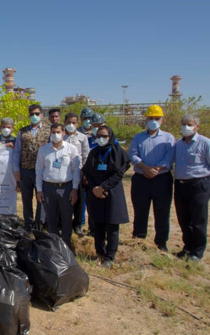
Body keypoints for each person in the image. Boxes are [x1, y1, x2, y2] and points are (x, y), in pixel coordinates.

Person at [83, 126, 130, 268]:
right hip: (96, 192)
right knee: (97, 224)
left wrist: (103, 187)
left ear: (110, 137)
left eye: (104, 136)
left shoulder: (118, 153)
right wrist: (95, 188)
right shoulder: (94, 153)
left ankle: (110, 255)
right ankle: (99, 252)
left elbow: (119, 173)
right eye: (98, 136)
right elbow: (88, 173)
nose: (101, 139)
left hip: (112, 193)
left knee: (112, 225)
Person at [129, 105, 175, 252]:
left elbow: (170, 157)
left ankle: (161, 242)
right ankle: (139, 240)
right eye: (151, 118)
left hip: (162, 179)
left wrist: (157, 169)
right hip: (141, 179)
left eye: (157, 118)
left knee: (162, 212)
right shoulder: (138, 138)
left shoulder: (168, 138)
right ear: (146, 120)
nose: (153, 121)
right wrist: (145, 168)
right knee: (140, 211)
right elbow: (133, 155)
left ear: (162, 120)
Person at [35, 123, 81, 249]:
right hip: (48, 187)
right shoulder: (43, 149)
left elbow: (76, 170)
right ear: (50, 133)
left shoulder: (71, 149)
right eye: (53, 132)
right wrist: (39, 190)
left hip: (66, 188)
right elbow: (39, 170)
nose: (56, 135)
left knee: (66, 218)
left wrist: (75, 189)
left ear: (63, 133)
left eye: (58, 132)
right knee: (51, 218)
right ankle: (54, 244)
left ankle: (66, 244)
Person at [173, 115, 210, 262]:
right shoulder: (178, 144)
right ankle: (187, 247)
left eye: (189, 124)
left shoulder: (205, 143)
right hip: (181, 185)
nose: (186, 127)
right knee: (184, 219)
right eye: (183, 124)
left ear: (197, 127)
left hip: (198, 185)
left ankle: (198, 251)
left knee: (198, 219)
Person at [13, 104, 51, 229]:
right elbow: (17, 151)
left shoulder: (49, 130)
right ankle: (28, 224)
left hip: (43, 171)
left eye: (36, 114)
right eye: (31, 114)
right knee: (26, 199)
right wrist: (17, 170)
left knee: (41, 198)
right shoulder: (22, 131)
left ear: (42, 115)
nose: (34, 116)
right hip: (25, 170)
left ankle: (39, 224)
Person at [63, 112, 90, 237]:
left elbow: (86, 156)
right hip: (63, 173)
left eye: (73, 123)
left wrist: (84, 172)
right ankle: (64, 223)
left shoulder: (83, 137)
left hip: (78, 172)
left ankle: (78, 224)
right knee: (64, 200)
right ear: (64, 123)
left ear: (77, 123)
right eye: (68, 122)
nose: (71, 125)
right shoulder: (59, 136)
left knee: (79, 199)